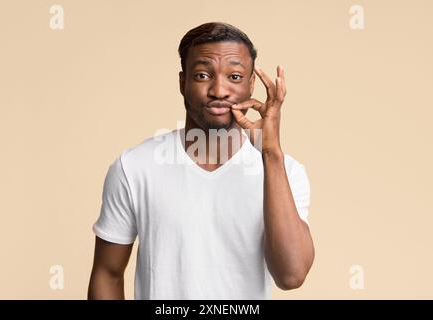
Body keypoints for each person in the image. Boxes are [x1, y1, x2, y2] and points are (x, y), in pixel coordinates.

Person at [88, 22, 315, 300]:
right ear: (182, 82)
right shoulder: (134, 167)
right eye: (203, 75)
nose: (219, 90)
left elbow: (291, 276)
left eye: (234, 76)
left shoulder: (286, 171)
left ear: (251, 84)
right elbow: (107, 274)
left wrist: (270, 154)